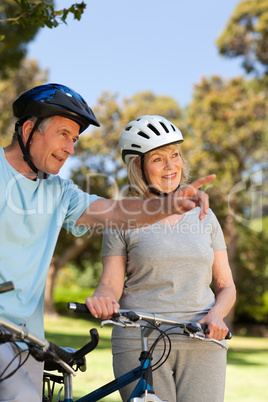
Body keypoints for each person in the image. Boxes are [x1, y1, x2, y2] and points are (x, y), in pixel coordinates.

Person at [0, 86, 215, 402]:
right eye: (63, 134)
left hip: (28, 339)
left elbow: (115, 212)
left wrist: (167, 206)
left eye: (74, 139)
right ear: (30, 129)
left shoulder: (59, 192)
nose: (70, 149)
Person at [86, 115, 236, 402]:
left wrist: (216, 314)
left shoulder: (204, 215)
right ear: (138, 167)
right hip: (139, 340)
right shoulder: (123, 217)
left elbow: (226, 285)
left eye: (175, 155)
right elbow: (110, 284)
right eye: (157, 159)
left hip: (201, 338)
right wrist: (102, 298)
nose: (171, 166)